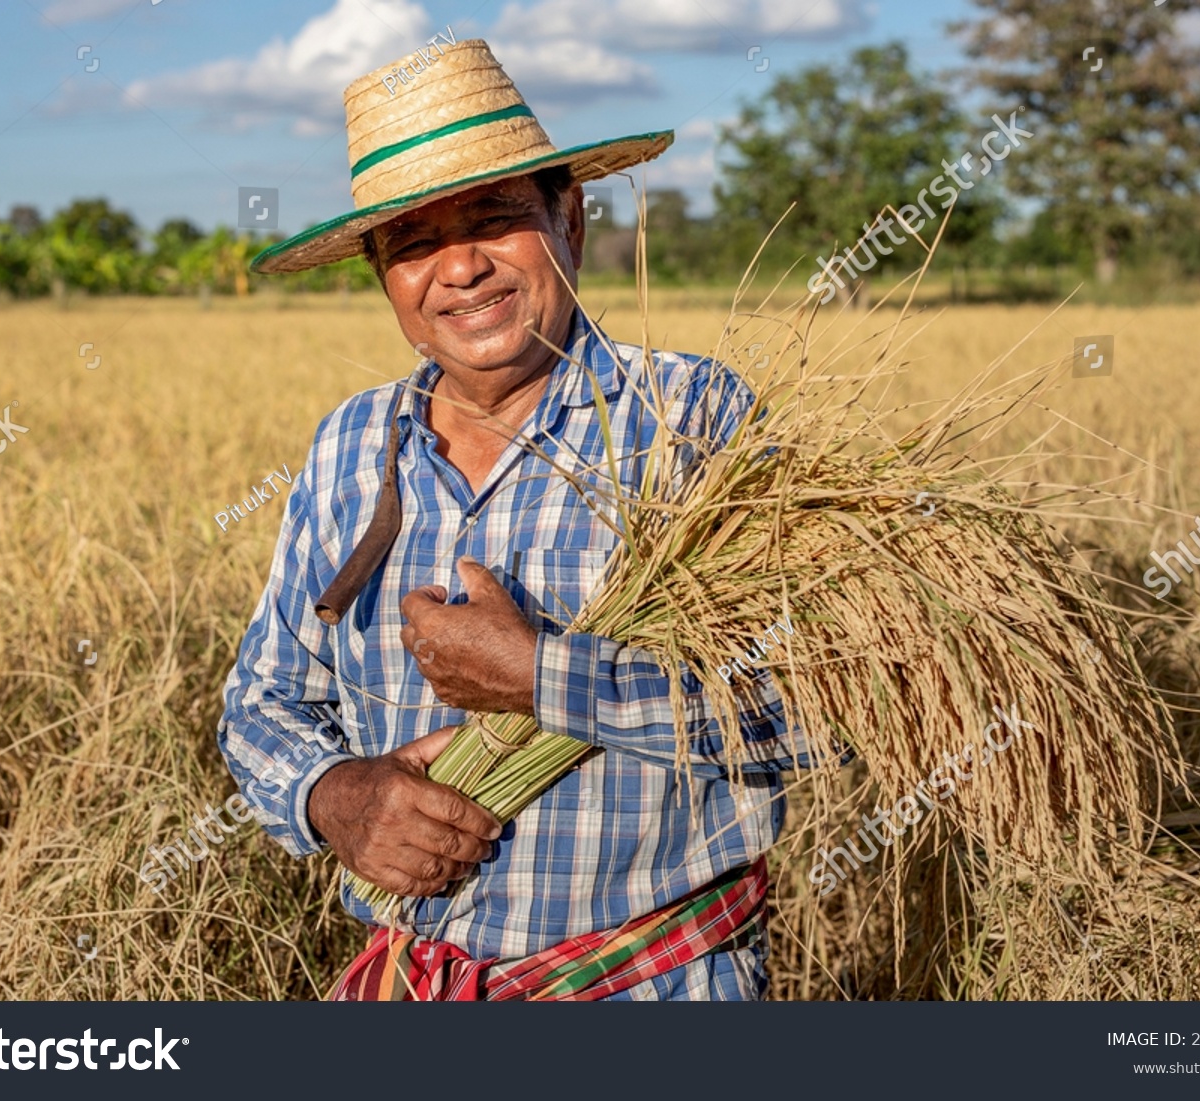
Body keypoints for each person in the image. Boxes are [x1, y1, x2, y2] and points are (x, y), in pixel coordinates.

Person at [218, 38, 805, 1001]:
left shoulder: (693, 422)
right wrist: (333, 796)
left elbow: (815, 709)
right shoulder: (351, 445)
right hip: (410, 982)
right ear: (382, 274)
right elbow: (260, 705)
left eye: (494, 218)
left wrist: (542, 675)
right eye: (412, 242)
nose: (460, 269)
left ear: (567, 219)